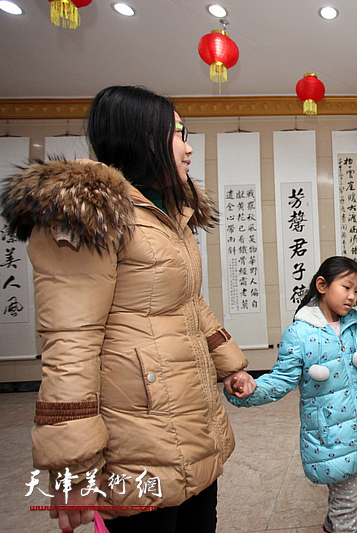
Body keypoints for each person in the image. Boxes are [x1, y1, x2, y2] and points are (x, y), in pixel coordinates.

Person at [0, 85, 255, 532]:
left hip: (187, 413)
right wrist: (72, 468)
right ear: (143, 138)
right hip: (134, 432)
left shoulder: (167, 210)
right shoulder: (91, 214)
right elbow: (70, 344)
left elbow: (186, 301)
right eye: (178, 134)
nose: (189, 147)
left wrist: (228, 364)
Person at [225, 256, 357, 533]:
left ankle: (331, 525)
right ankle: (341, 526)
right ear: (321, 285)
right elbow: (281, 380)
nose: (351, 296)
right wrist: (251, 390)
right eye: (346, 287)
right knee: (347, 504)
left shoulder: (355, 323)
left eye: (356, 291)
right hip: (330, 437)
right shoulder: (298, 334)